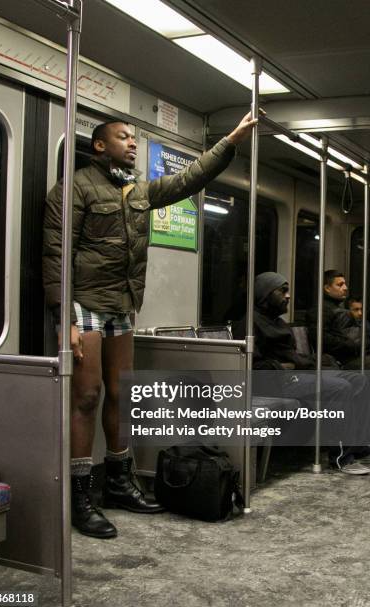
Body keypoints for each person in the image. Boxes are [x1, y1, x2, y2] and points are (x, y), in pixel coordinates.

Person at [43, 112, 259, 538]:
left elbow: (189, 179)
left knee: (121, 394)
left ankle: (120, 483)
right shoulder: (73, 189)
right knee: (87, 396)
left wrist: (231, 140)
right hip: (84, 303)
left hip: (122, 304)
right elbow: (56, 254)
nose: (132, 143)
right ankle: (80, 496)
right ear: (100, 145)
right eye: (123, 137)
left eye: (134, 138)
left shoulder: (139, 189)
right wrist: (64, 315)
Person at [232, 271, 370, 475]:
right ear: (265, 294)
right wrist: (290, 366)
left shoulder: (277, 322)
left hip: (292, 374)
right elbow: (253, 366)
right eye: (283, 291)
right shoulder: (249, 324)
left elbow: (292, 356)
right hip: (274, 381)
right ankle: (341, 457)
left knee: (358, 379)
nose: (288, 296)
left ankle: (357, 443)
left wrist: (304, 363)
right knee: (341, 387)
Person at [306, 270, 370, 369]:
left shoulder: (338, 309)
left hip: (357, 354)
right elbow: (321, 338)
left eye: (344, 284)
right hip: (341, 360)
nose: (345, 288)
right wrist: (351, 344)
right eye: (340, 285)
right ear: (327, 288)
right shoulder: (320, 310)